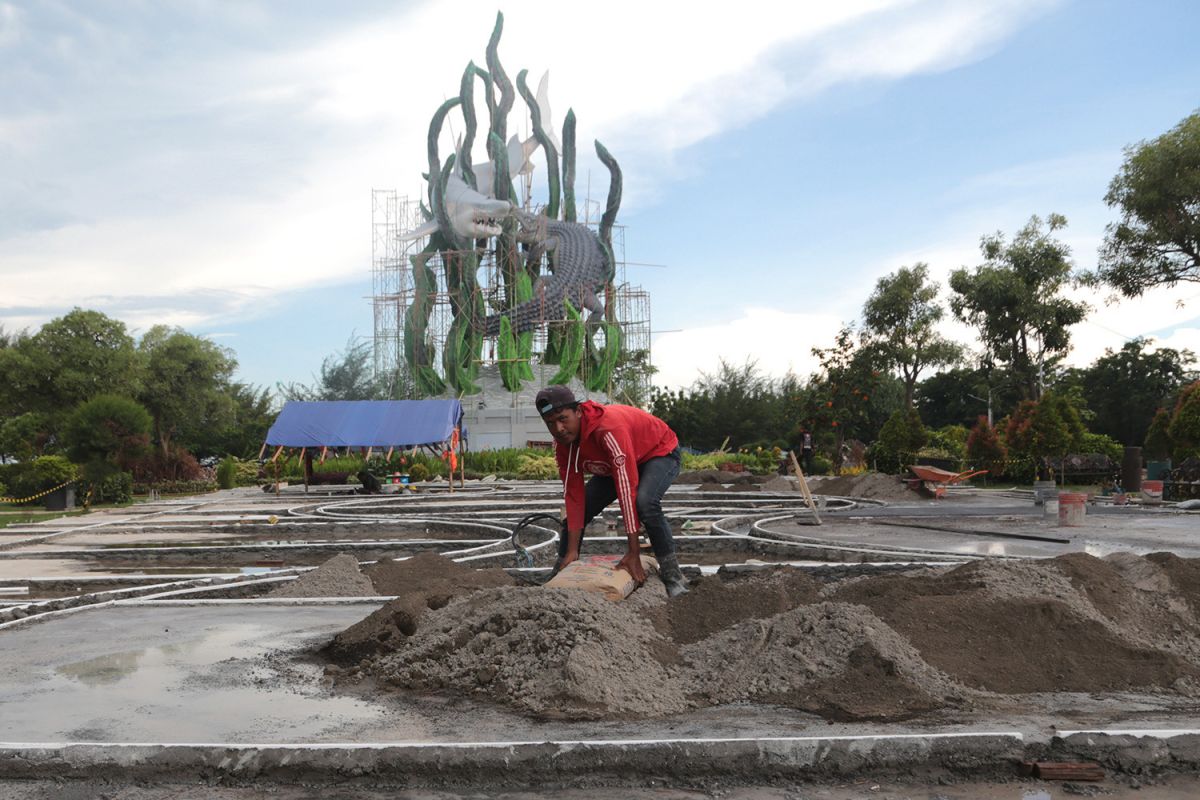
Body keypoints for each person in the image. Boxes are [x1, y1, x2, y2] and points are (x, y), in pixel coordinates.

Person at [535, 385, 689, 598]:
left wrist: (633, 552)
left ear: (578, 412)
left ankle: (674, 576)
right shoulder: (564, 445)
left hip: (658, 452)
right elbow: (574, 495)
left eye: (563, 419)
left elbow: (627, 488)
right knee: (574, 517)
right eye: (550, 423)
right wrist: (572, 551)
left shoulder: (607, 429)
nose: (559, 428)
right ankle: (560, 567)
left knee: (645, 503)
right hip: (615, 463)